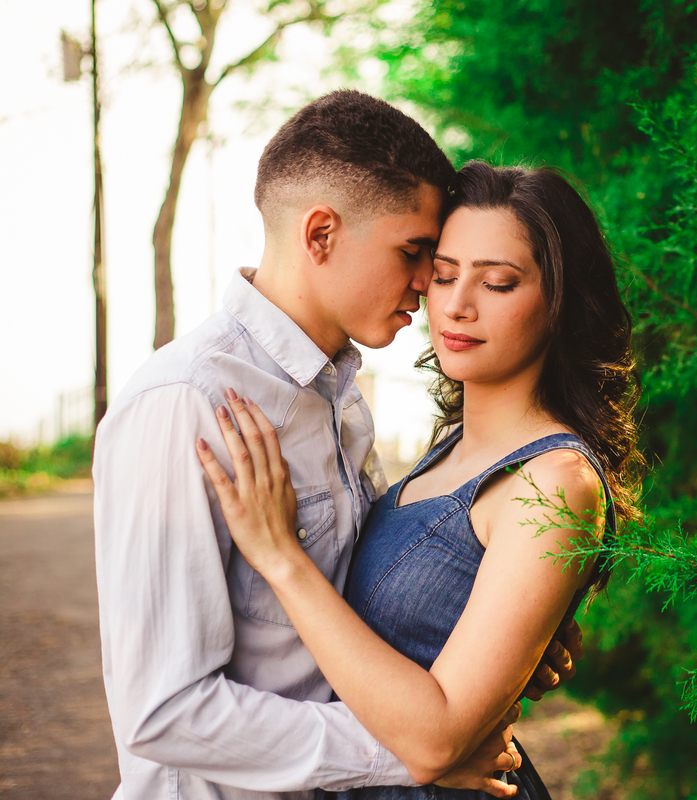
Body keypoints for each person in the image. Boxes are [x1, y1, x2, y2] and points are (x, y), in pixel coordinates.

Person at [93, 91, 576, 800]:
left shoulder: (340, 398)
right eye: (416, 253)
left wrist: (494, 638)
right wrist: (413, 753)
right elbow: (165, 710)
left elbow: (356, 610)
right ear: (320, 234)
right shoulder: (187, 405)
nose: (429, 287)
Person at [193, 160, 643, 799]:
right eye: (444, 274)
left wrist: (280, 557)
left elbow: (436, 741)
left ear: (560, 302)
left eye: (499, 282)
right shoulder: (453, 448)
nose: (456, 305)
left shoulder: (557, 481)